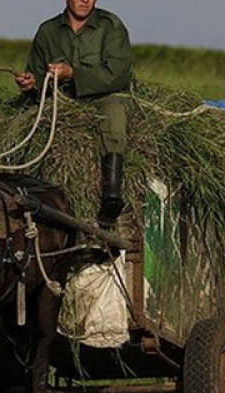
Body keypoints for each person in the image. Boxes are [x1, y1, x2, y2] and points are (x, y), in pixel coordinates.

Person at [15, 0, 133, 229]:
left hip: (103, 96)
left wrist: (73, 74)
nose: (84, 0)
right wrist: (31, 85)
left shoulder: (111, 27)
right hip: (62, 101)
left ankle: (111, 195)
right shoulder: (47, 31)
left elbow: (118, 74)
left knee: (115, 112)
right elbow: (38, 76)